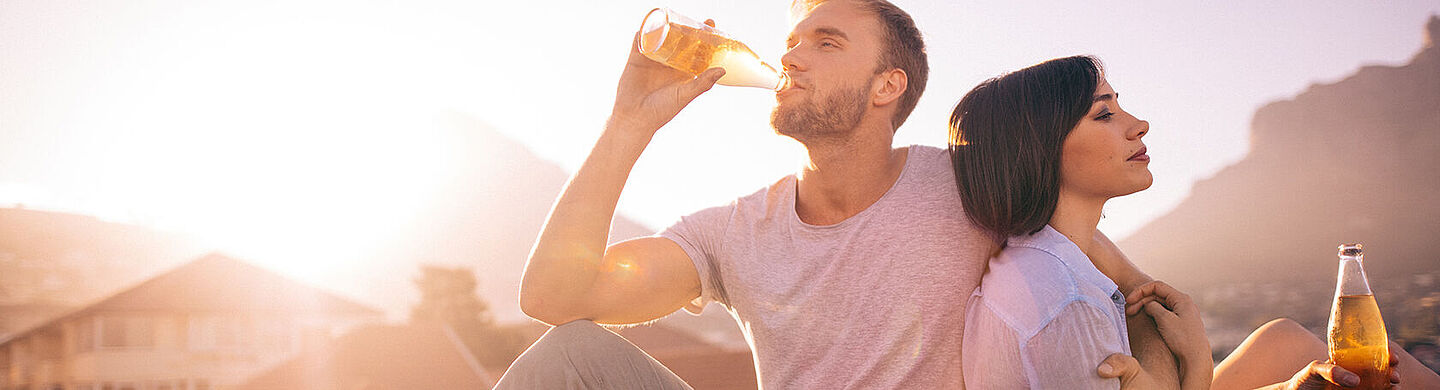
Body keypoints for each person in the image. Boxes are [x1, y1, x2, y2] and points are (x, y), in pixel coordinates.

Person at [495, 0, 1001, 388]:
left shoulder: (972, 185)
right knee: (570, 352)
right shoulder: (731, 231)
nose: (790, 58)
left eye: (826, 44)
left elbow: (1077, 267)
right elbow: (552, 297)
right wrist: (628, 125)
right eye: (793, 42)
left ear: (886, 86)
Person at [948, 55, 1440, 390]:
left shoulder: (1048, 250)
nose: (1137, 124)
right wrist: (1198, 359)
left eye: (1120, 105)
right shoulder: (1067, 308)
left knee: (1287, 340)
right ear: (1039, 152)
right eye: (1103, 115)